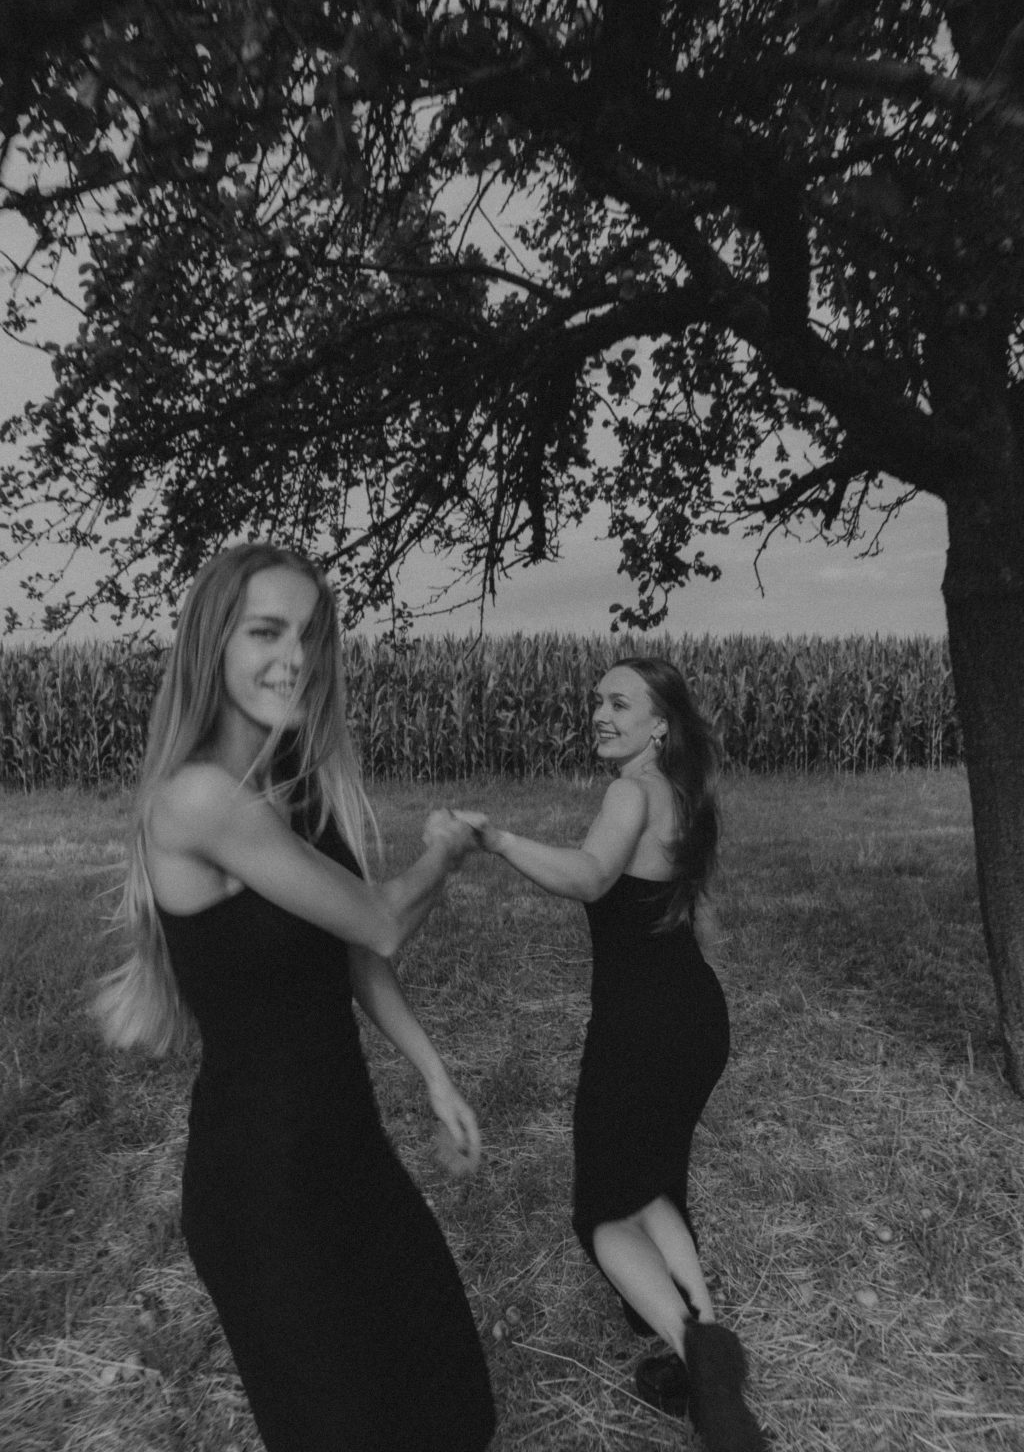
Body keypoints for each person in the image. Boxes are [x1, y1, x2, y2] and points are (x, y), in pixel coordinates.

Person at [93, 543, 495, 1452]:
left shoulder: (293, 787)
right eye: (266, 632)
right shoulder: (197, 800)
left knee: (447, 1401)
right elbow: (382, 920)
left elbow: (354, 952)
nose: (295, 658)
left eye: (310, 636)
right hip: (263, 1190)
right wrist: (444, 852)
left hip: (348, 1149)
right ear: (213, 645)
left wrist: (432, 1072)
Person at [457, 656, 766, 1452]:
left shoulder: (630, 791)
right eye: (597, 701)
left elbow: (592, 876)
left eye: (621, 704)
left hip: (640, 1027)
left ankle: (700, 1361)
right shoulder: (686, 794)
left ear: (659, 723)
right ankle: (707, 1341)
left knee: (599, 1211)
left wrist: (497, 839)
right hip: (695, 1017)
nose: (601, 713)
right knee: (651, 1182)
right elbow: (692, 916)